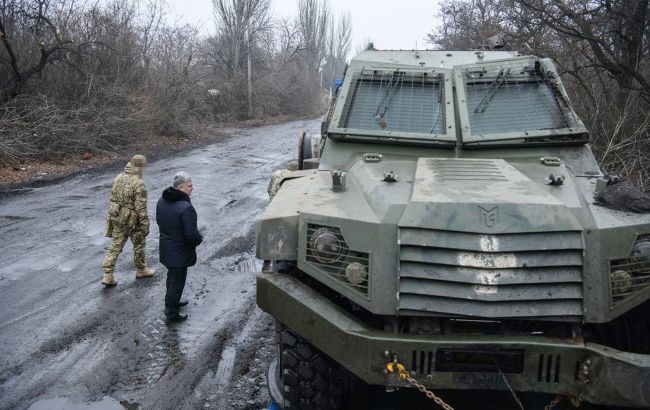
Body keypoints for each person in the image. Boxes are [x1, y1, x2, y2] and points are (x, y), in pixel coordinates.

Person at [102, 154, 156, 286]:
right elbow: (141, 207)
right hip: (132, 220)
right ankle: (141, 270)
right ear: (139, 166)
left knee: (116, 245)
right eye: (143, 166)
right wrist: (145, 225)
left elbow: (113, 197)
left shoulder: (119, 177)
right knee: (139, 244)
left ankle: (107, 275)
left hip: (117, 216)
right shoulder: (138, 183)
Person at [156, 171, 203, 323]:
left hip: (167, 248)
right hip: (180, 252)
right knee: (177, 282)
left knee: (172, 278)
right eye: (190, 186)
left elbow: (159, 222)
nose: (192, 188)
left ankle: (171, 302)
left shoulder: (161, 201)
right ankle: (172, 313)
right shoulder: (185, 207)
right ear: (181, 187)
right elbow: (191, 235)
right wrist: (199, 239)